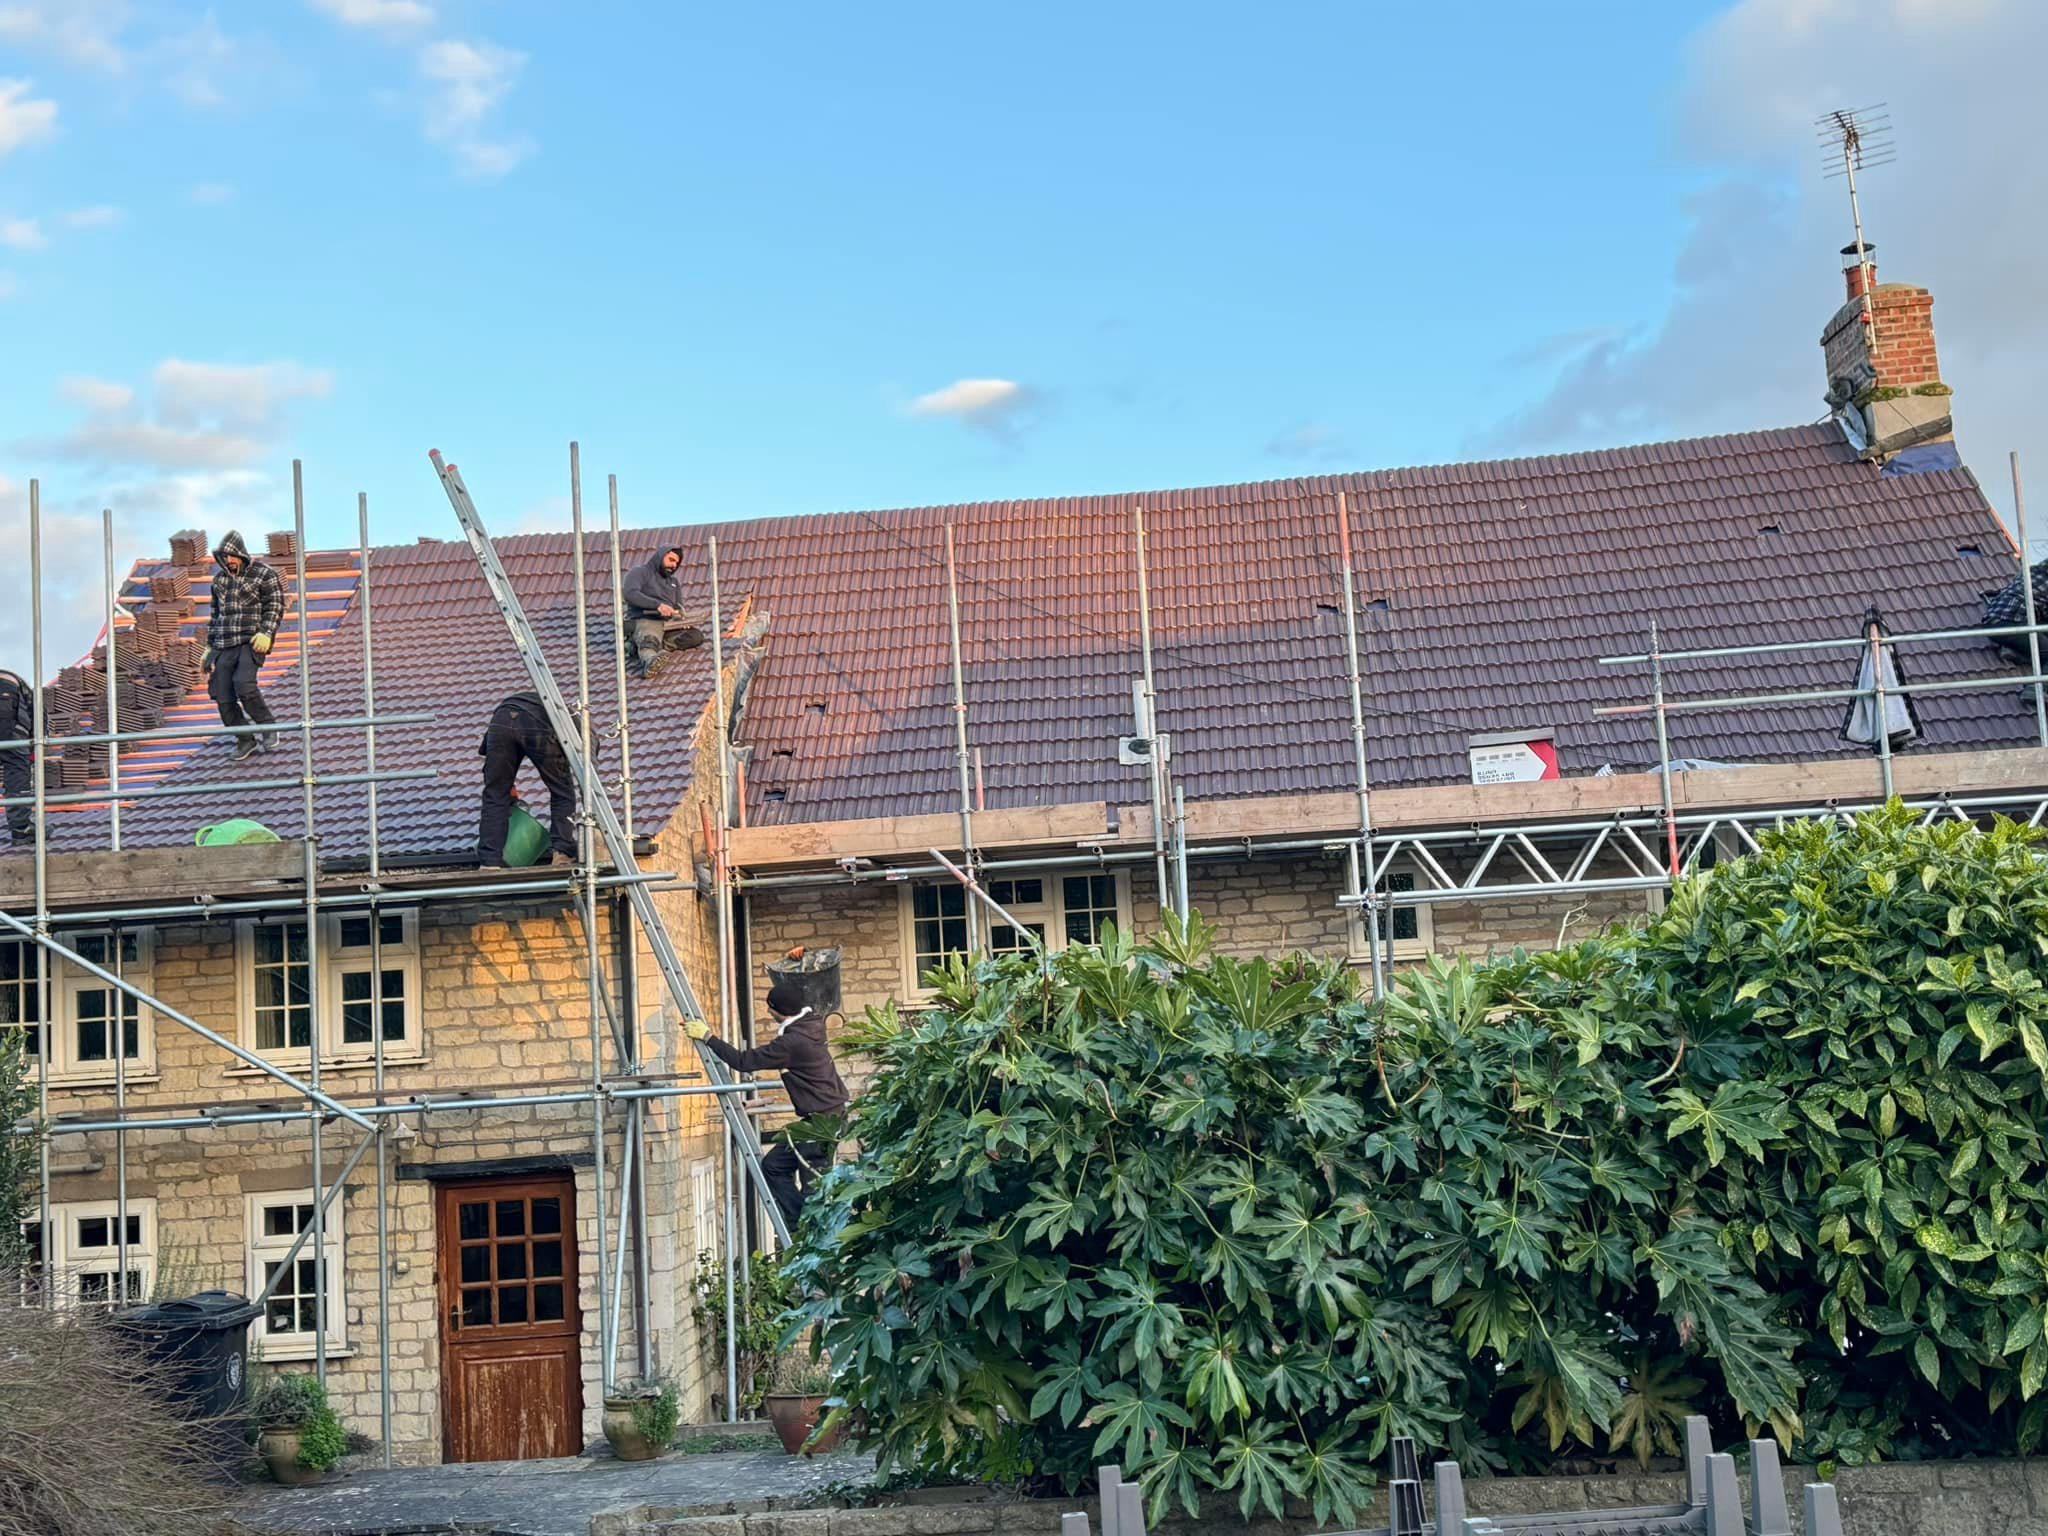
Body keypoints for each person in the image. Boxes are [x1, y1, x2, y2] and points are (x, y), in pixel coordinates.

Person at [686, 979, 849, 1232]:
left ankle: (810, 1237)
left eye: (770, 1009)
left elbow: (743, 1061)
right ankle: (797, 1222)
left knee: (813, 1189)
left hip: (822, 1123)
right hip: (821, 1117)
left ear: (778, 1011)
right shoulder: (812, 1021)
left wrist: (708, 1037)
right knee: (773, 1166)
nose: (768, 1013)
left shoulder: (791, 1044)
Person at [201, 531, 284, 760]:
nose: (229, 561)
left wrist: (266, 632)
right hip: (225, 643)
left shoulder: (263, 574)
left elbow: (275, 605)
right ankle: (245, 739)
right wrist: (209, 647)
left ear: (241, 555)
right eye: (225, 557)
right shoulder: (219, 580)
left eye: (232, 557)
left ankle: (268, 728)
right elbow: (215, 614)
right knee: (222, 695)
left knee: (244, 685)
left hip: (251, 640)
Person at [477, 692, 577, 867]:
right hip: (537, 720)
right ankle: (562, 854)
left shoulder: (565, 716)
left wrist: (506, 788)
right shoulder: (581, 730)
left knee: (495, 795)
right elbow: (590, 783)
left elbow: (490, 767)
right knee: (563, 792)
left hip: (501, 717)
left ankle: (489, 862)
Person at [621, 546, 707, 679]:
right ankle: (649, 661)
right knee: (649, 637)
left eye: (676, 563)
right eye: (671, 560)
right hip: (645, 619)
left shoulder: (673, 583)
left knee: (695, 636)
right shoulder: (640, 572)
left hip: (668, 625)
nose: (673, 565)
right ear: (660, 556)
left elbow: (678, 607)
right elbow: (630, 594)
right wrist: (657, 606)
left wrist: (682, 621)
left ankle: (651, 645)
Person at [0, 666, 34, 842]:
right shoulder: (20, 686)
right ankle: (21, 828)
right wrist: (32, 753)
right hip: (6, 707)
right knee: (17, 767)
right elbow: (38, 719)